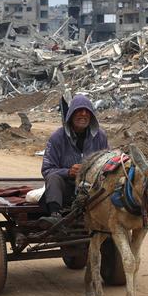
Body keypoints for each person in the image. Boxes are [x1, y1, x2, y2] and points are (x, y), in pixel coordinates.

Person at [38, 95, 109, 226]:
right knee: (53, 178)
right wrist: (68, 172)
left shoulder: (100, 137)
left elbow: (108, 165)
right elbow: (47, 170)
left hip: (92, 191)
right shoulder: (57, 138)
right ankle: (55, 215)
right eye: (79, 110)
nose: (83, 114)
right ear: (70, 114)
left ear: (92, 116)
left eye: (87, 111)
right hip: (66, 190)